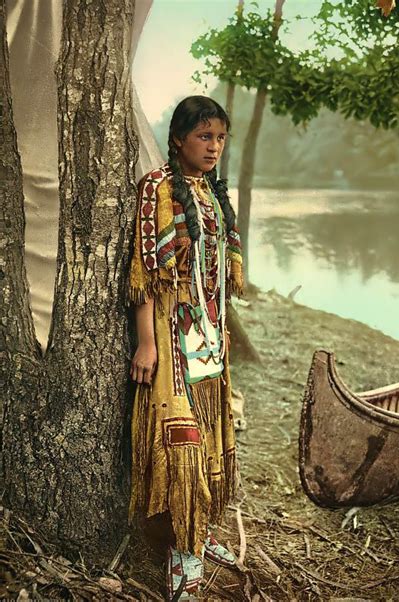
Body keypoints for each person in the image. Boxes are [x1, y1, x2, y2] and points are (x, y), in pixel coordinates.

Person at [127, 96, 243, 601]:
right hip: (172, 340)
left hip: (210, 336)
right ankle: (181, 554)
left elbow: (219, 271)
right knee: (184, 446)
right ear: (178, 139)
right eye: (204, 136)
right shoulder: (157, 188)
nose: (214, 146)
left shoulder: (216, 193)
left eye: (219, 137)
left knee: (214, 439)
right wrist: (147, 343)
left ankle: (201, 532)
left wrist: (220, 327)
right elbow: (146, 271)